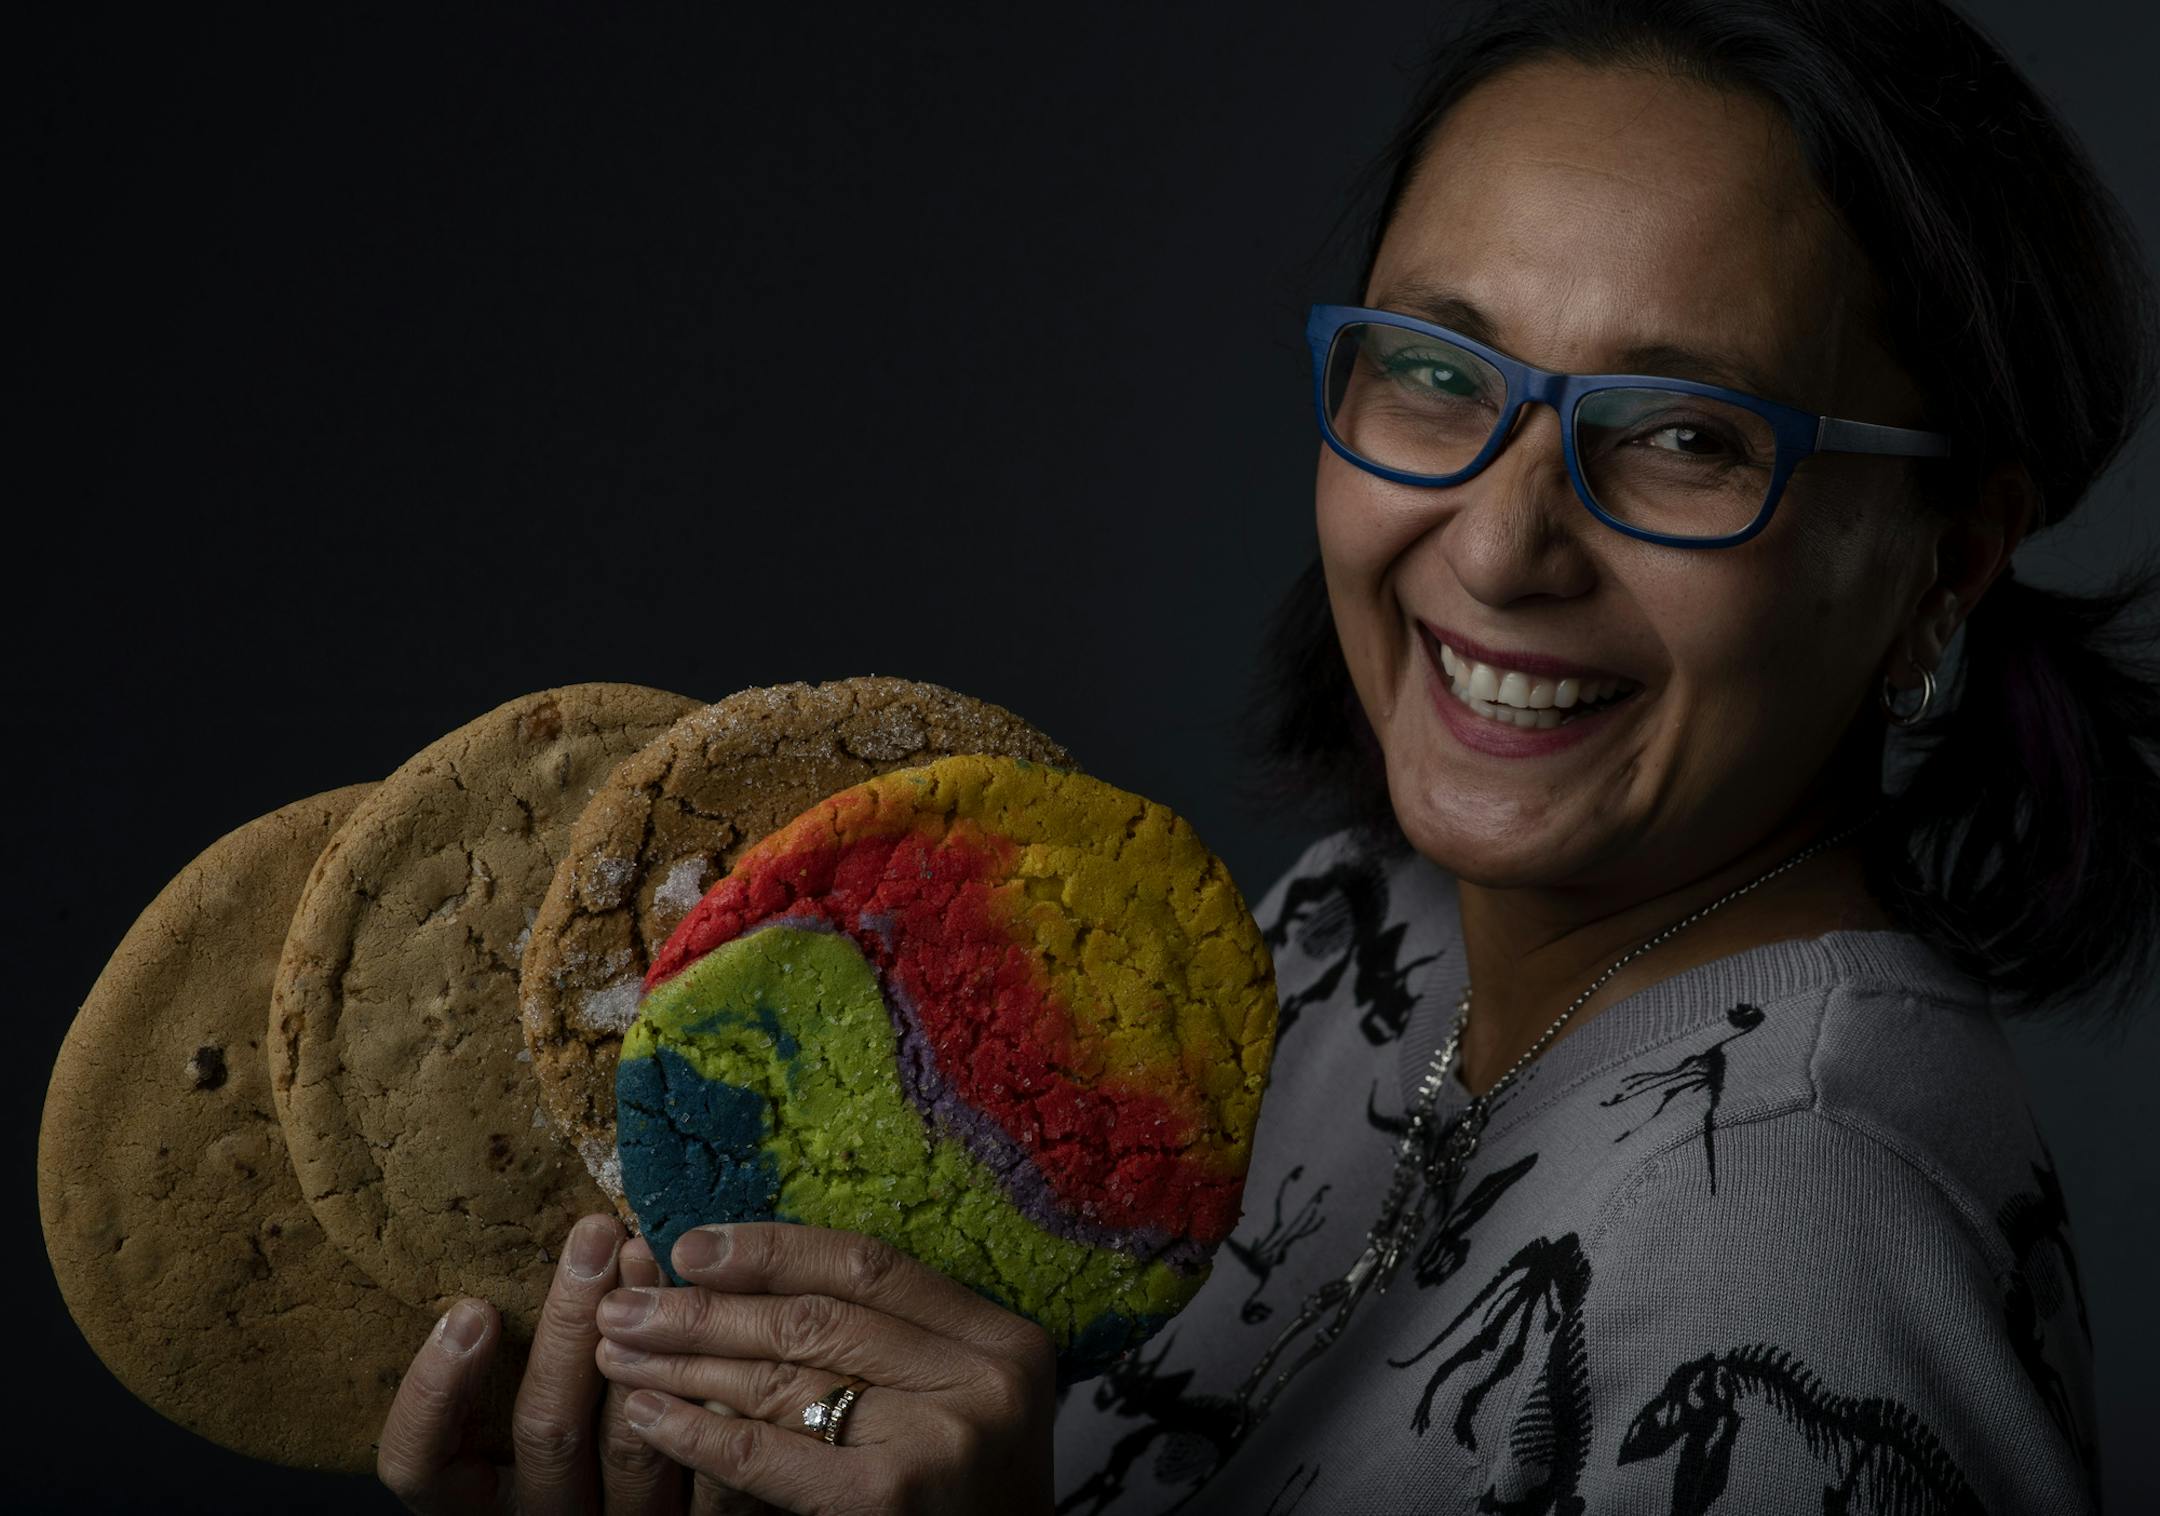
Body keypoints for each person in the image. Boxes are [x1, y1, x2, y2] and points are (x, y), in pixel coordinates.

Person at [378, 0, 2155, 1511]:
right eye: (1442, 375)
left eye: (1685, 434)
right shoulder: (1336, 944)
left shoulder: (1807, 1254)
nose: (1500, 543)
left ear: (1947, 564)